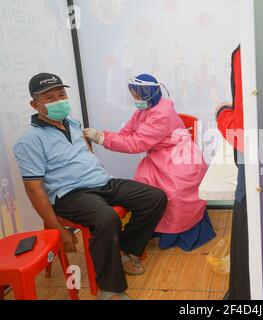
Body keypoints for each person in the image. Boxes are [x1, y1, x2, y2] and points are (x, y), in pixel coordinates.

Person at [13, 73, 167, 300]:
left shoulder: (73, 123)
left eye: (61, 94)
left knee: (155, 197)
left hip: (102, 182)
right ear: (34, 104)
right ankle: (110, 289)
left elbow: (86, 153)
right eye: (49, 97)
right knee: (107, 218)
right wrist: (58, 228)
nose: (58, 100)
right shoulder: (29, 140)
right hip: (71, 194)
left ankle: (123, 249)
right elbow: (33, 189)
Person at [84, 74, 215, 252]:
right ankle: (153, 229)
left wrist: (103, 139)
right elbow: (127, 132)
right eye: (134, 96)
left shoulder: (161, 113)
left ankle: (176, 232)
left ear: (151, 93)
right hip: (160, 155)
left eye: (139, 96)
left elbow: (137, 143)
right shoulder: (143, 110)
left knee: (174, 192)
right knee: (143, 185)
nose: (136, 100)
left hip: (179, 157)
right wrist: (108, 136)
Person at [215, 46, 251, 300]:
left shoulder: (246, 50)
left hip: (255, 171)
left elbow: (244, 136)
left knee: (248, 245)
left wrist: (222, 115)